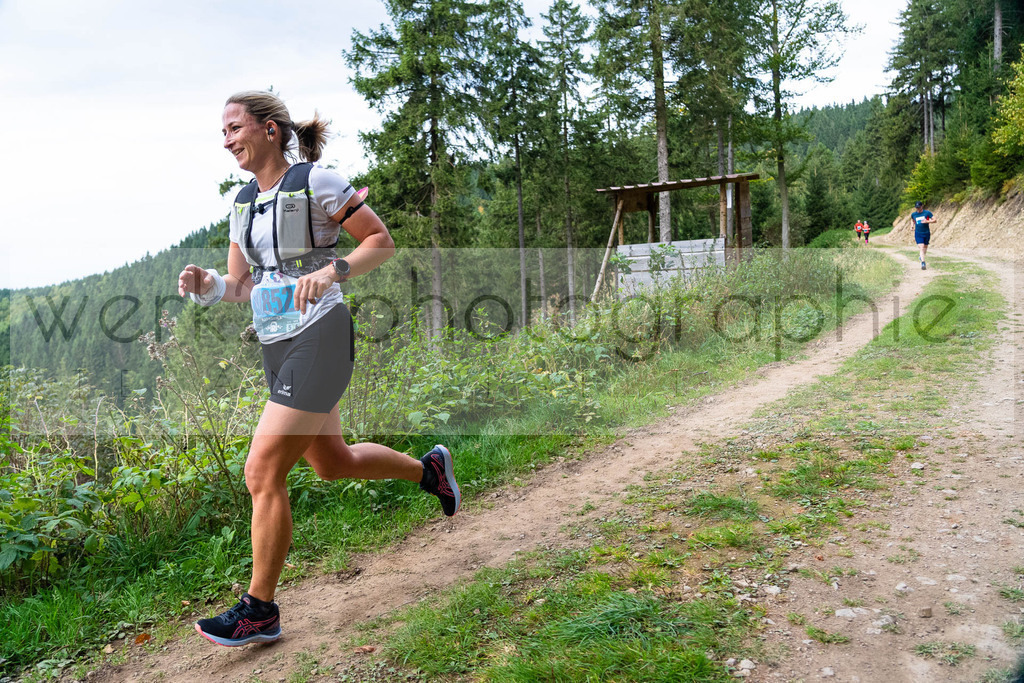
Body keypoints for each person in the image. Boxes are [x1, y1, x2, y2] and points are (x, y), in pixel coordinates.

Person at [178, 91, 460, 648]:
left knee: (262, 471)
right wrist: (207, 285)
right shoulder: (241, 203)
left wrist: (334, 272)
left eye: (235, 128)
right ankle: (429, 472)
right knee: (333, 463)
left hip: (322, 336)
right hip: (277, 343)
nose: (228, 140)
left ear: (270, 130)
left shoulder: (319, 183)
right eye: (224, 132)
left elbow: (381, 241)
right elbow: (241, 285)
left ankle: (259, 610)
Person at [910, 200, 935, 269]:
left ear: (922, 206)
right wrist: (912, 226)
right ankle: (923, 263)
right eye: (916, 207)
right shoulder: (913, 214)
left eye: (919, 207)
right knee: (921, 247)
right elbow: (912, 220)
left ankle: (921, 257)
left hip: (926, 233)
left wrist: (928, 221)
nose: (917, 209)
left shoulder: (927, 213)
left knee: (925, 248)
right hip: (918, 233)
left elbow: (935, 220)